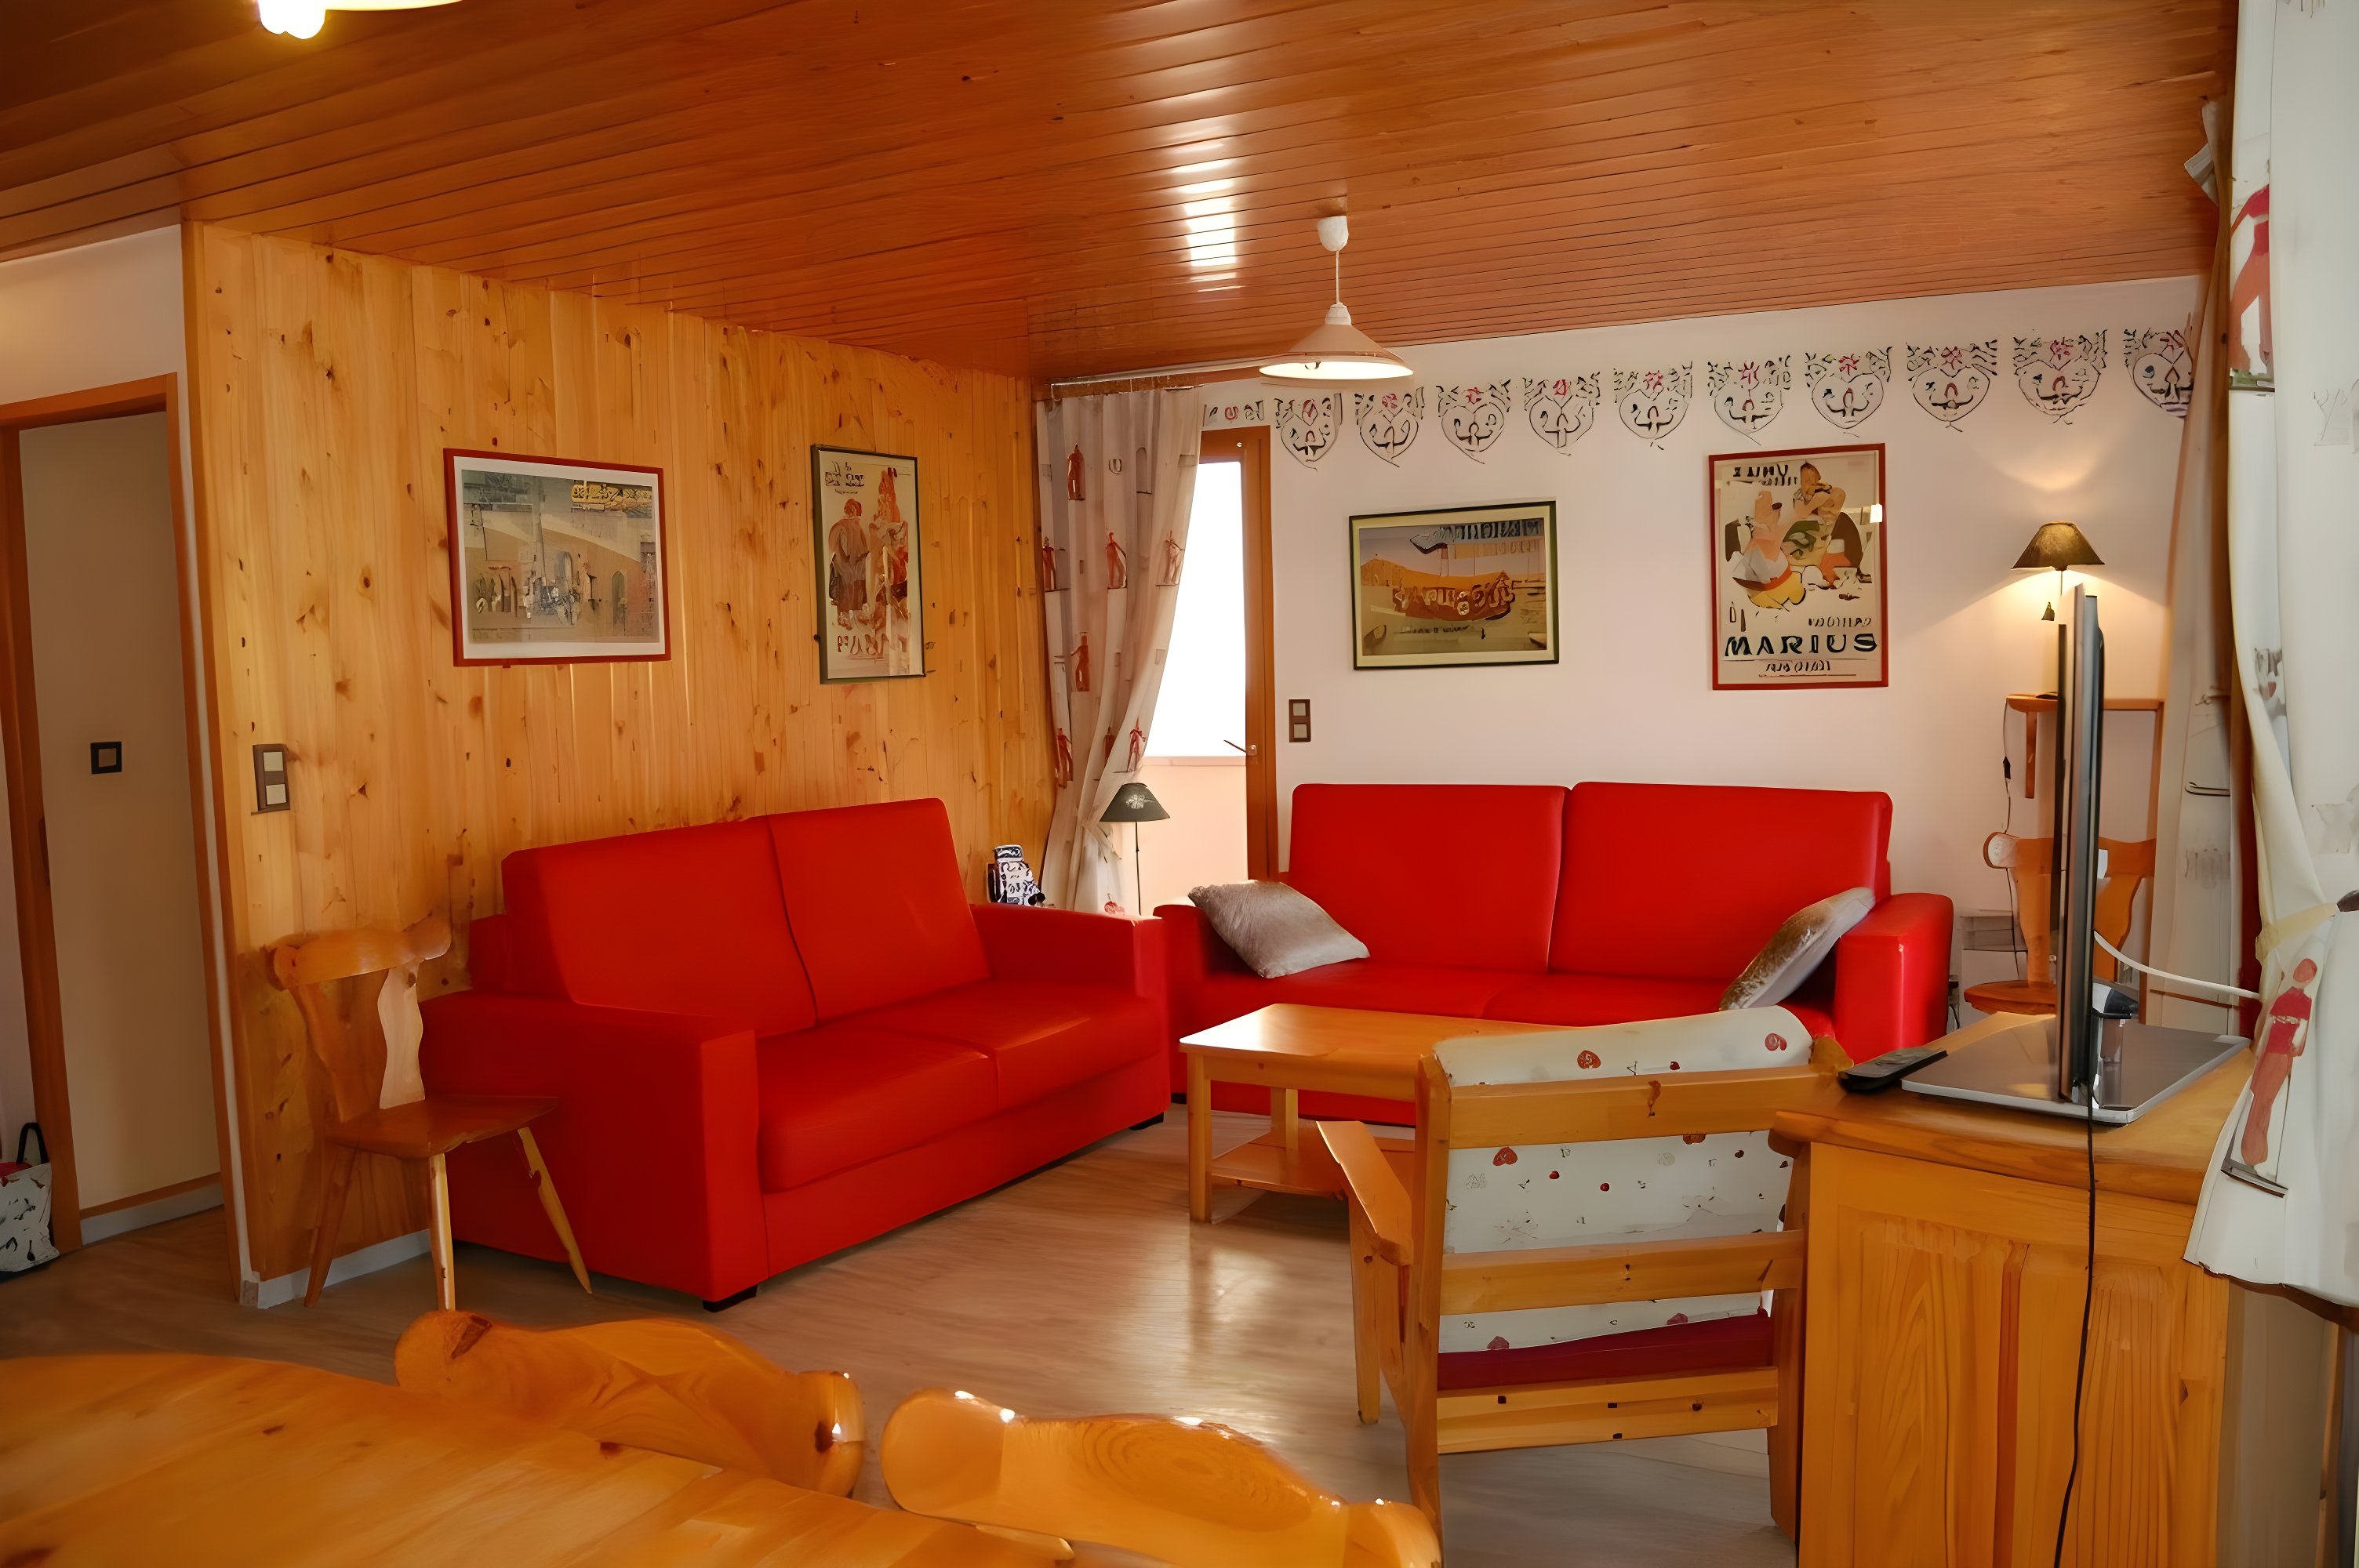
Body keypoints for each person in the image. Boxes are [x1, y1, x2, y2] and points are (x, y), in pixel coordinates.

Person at [2239, 955, 2317, 1168]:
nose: (2301, 974)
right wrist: (2260, 1049)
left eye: (2305, 971)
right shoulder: (2283, 997)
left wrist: (2294, 1046)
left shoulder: (2305, 1002)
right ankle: (2252, 1150)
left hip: (2281, 1054)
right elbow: (2269, 1027)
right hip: (2271, 1053)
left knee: (2265, 1102)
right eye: (2300, 969)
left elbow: (2301, 1032)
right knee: (2259, 1099)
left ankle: (2256, 1151)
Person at [827, 499, 870, 629]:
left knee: (857, 591)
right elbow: (839, 548)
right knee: (847, 592)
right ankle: (846, 620)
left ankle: (855, 618)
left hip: (856, 569)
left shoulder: (858, 527)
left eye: (853, 509)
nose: (851, 512)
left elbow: (863, 549)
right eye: (849, 509)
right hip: (845, 568)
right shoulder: (842, 526)